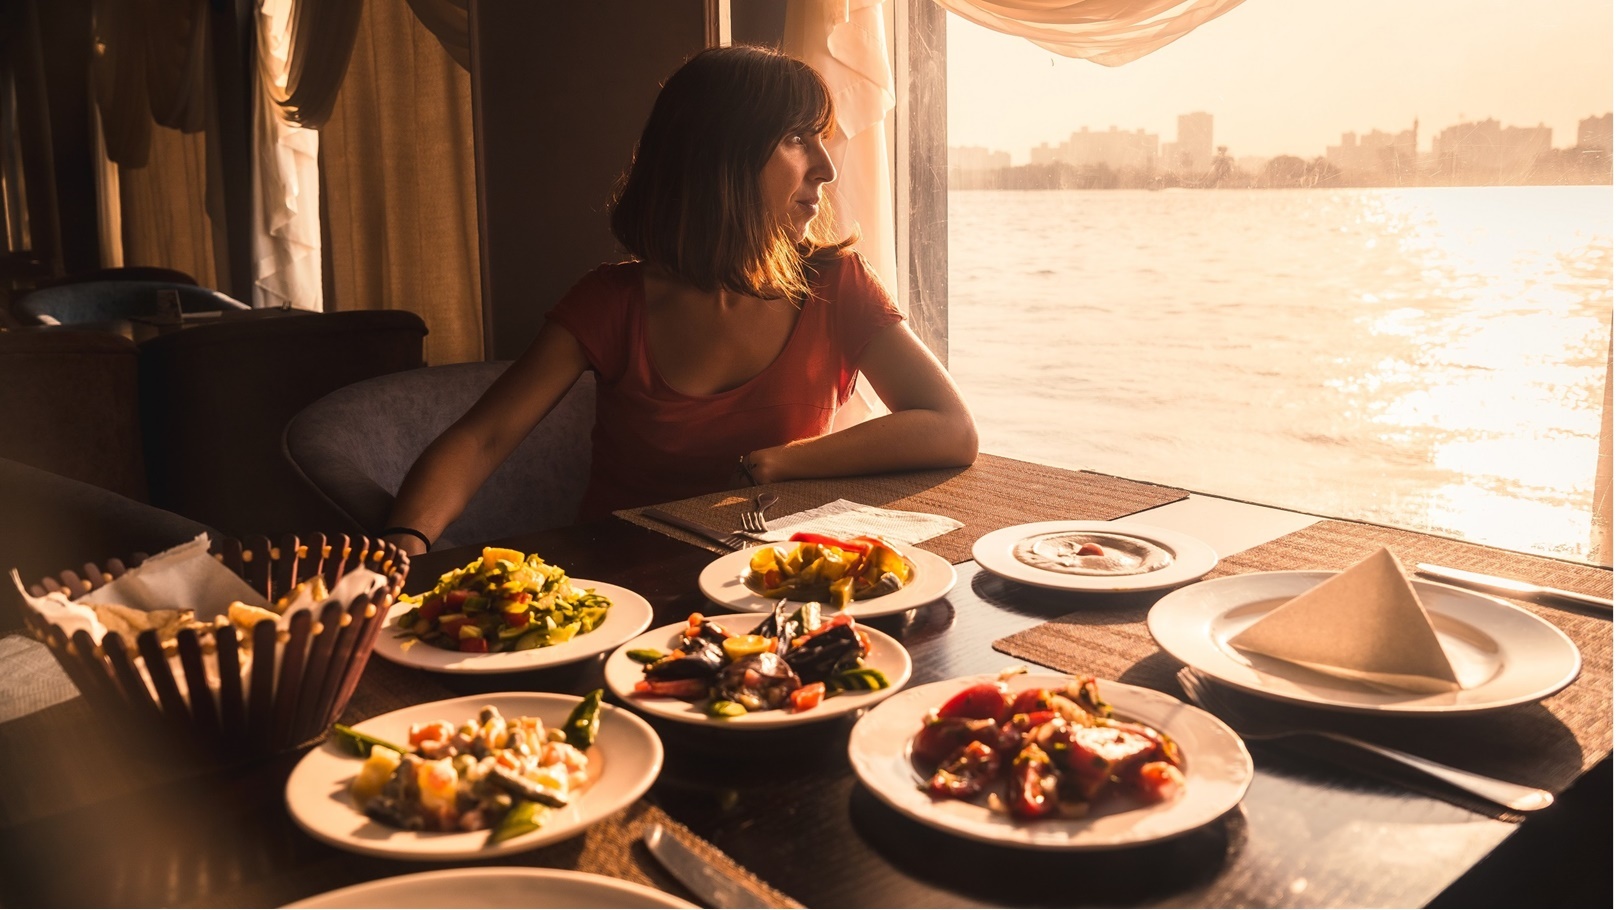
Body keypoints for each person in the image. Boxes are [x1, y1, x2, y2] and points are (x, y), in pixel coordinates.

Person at [379, 45, 977, 556]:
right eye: (799, 138)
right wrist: (402, 548)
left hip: (765, 582)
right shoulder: (611, 304)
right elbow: (479, 440)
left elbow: (950, 428)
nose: (826, 167)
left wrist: (782, 462)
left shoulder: (836, 283)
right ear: (724, 157)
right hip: (624, 585)